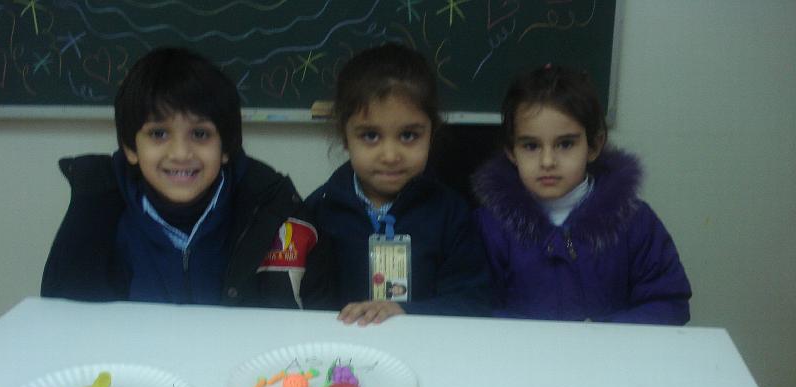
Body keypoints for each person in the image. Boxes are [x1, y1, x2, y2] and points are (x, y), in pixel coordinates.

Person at [42, 47, 330, 309]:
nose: (180, 153)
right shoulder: (97, 210)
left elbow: (315, 317)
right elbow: (63, 318)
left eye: (200, 134)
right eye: (158, 134)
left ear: (226, 148)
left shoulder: (273, 210)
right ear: (130, 147)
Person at [473, 64, 691, 324]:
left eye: (565, 144)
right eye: (531, 146)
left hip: (611, 349)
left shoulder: (635, 221)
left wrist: (603, 334)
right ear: (511, 152)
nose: (547, 161)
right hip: (521, 350)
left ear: (593, 146)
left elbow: (668, 303)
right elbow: (475, 309)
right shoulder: (489, 226)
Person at [305, 43, 489, 325]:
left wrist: (407, 312)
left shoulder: (451, 213)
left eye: (408, 136)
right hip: (343, 346)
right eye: (370, 136)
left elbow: (473, 301)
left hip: (427, 345)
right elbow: (307, 305)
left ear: (431, 133)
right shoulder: (319, 211)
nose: (390, 156)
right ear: (345, 137)